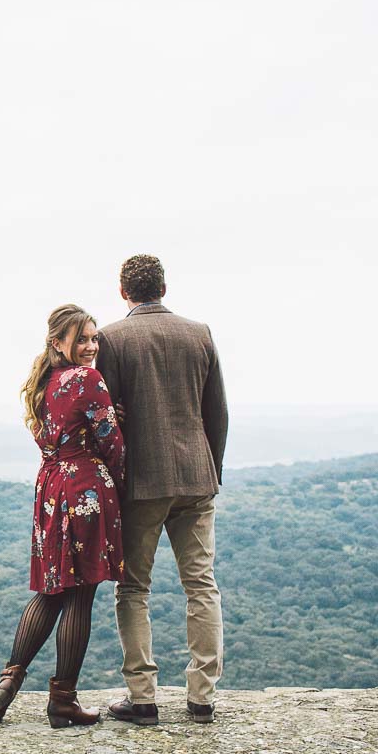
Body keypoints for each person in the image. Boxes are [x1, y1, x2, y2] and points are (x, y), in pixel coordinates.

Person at [94, 254, 228, 725]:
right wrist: (212, 471)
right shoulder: (200, 332)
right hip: (197, 477)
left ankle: (143, 697)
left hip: (141, 483)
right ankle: (202, 697)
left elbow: (106, 418)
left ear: (123, 291)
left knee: (133, 589)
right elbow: (218, 413)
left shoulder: (111, 338)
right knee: (201, 586)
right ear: (164, 288)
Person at [0, 304, 126, 728]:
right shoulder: (88, 379)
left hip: (50, 488)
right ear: (58, 342)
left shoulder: (41, 383)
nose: (90, 346)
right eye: (81, 338)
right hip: (84, 488)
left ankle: (8, 683)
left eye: (94, 338)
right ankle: (63, 700)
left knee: (50, 590)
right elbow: (111, 443)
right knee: (79, 594)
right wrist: (119, 480)